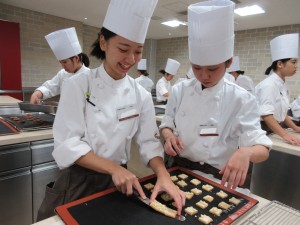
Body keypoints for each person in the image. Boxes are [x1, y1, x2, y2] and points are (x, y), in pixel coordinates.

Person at [36, 0, 185, 221]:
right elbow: (68, 143)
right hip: (79, 181)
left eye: (137, 52)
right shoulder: (78, 84)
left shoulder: (139, 94)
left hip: (119, 182)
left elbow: (148, 142)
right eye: (123, 49)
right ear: (103, 43)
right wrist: (113, 169)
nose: (130, 59)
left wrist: (163, 175)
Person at [159, 0, 272, 190]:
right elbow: (167, 123)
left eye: (212, 69)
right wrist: (169, 136)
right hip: (177, 168)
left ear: (228, 62)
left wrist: (246, 153)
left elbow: (262, 148)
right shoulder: (180, 90)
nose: (204, 75)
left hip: (216, 177)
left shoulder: (241, 98)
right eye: (197, 68)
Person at [255, 33, 300, 145]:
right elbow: (267, 115)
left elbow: (281, 113)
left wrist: (296, 128)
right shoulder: (269, 85)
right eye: (293, 62)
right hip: (261, 129)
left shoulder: (282, 84)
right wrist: (286, 136)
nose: (296, 66)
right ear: (280, 64)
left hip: (273, 128)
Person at [30, 27, 90, 104]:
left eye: (65, 62)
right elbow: (50, 87)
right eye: (61, 63)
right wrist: (37, 93)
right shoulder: (62, 74)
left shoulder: (90, 76)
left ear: (76, 58)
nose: (63, 66)